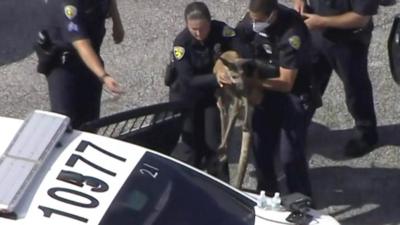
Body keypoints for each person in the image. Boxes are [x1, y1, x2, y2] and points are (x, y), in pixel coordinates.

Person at [218, 0, 318, 196]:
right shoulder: (253, 17)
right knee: (260, 146)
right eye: (252, 19)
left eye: (259, 20)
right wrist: (225, 67)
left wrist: (251, 84)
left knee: (290, 155)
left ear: (272, 15)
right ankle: (266, 193)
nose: (254, 23)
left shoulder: (292, 33)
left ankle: (301, 201)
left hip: (293, 95)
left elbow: (287, 82)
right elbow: (236, 43)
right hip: (266, 91)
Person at [293, 0, 379, 157]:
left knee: (355, 88)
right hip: (316, 34)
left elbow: (361, 18)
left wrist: (322, 21)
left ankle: (366, 134)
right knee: (306, 83)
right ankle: (297, 128)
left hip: (348, 42)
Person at [167, 1, 238, 181]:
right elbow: (188, 80)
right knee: (192, 148)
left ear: (210, 22)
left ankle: (223, 186)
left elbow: (240, 45)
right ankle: (191, 184)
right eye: (194, 29)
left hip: (209, 97)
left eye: (202, 28)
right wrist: (217, 78)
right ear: (186, 25)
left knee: (215, 144)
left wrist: (232, 62)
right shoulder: (181, 44)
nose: (199, 33)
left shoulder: (220, 30)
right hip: (186, 98)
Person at [39, 0, 124, 128]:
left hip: (92, 62)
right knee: (67, 124)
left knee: (91, 121)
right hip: (65, 68)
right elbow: (81, 44)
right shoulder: (67, 5)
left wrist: (117, 24)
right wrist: (104, 76)